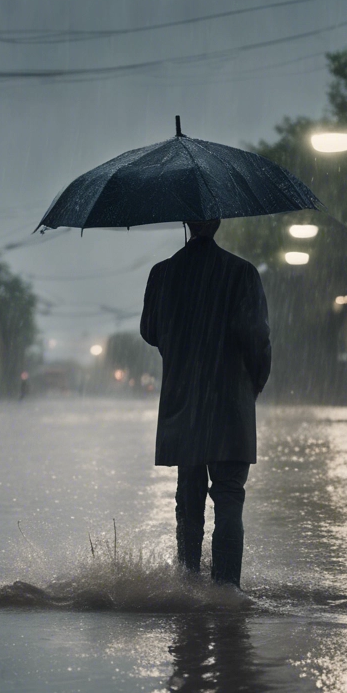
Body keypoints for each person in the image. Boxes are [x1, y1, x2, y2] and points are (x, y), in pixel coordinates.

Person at [140, 219, 270, 588]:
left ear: (185, 220)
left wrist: (182, 337)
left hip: (184, 401)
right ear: (217, 221)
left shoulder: (162, 273)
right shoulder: (241, 273)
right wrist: (257, 379)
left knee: (189, 496)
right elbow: (257, 335)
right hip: (231, 404)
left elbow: (149, 330)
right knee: (229, 497)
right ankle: (227, 593)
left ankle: (187, 585)